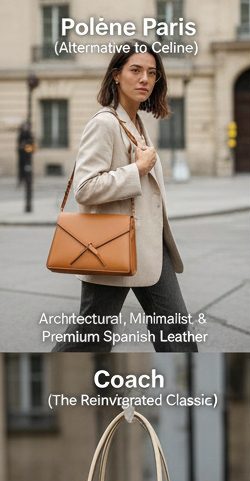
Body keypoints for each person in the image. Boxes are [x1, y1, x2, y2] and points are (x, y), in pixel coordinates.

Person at [56, 41, 195, 353]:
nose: (144, 78)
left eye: (151, 73)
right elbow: (85, 188)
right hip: (111, 246)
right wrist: (137, 169)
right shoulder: (104, 123)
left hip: (149, 246)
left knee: (175, 328)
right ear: (116, 75)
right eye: (136, 70)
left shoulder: (136, 124)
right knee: (91, 336)